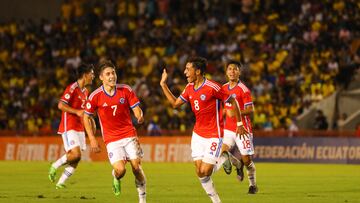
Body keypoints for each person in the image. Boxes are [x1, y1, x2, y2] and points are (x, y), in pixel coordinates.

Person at [160, 57, 244, 203]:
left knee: (206, 171)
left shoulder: (213, 87)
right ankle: (216, 201)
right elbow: (175, 104)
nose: (185, 72)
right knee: (200, 172)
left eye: (188, 69)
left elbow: (233, 101)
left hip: (214, 135)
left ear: (197, 71)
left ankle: (224, 158)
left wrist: (239, 123)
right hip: (198, 135)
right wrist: (163, 84)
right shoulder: (189, 88)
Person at [83, 61, 147, 203]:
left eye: (113, 73)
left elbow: (136, 108)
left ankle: (142, 200)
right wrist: (92, 138)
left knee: (136, 167)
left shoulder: (126, 90)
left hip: (129, 134)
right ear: (101, 78)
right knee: (120, 170)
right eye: (108, 74)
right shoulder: (95, 96)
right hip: (111, 139)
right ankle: (116, 177)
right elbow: (86, 116)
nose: (112, 76)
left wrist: (139, 116)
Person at [48, 64, 95, 189]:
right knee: (76, 154)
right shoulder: (72, 88)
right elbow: (60, 105)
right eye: (92, 73)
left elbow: (84, 111)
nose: (93, 76)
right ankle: (55, 165)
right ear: (85, 75)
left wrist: (90, 120)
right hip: (69, 125)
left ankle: (60, 182)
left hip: (79, 127)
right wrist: (76, 111)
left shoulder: (86, 91)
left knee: (76, 159)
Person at [220, 61, 258, 194]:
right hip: (228, 129)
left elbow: (250, 109)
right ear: (226, 72)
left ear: (239, 72)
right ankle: (237, 164)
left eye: (235, 69)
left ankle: (253, 185)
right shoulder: (223, 88)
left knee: (247, 160)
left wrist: (236, 113)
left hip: (242, 128)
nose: (232, 72)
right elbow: (222, 106)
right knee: (222, 151)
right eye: (229, 69)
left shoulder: (243, 89)